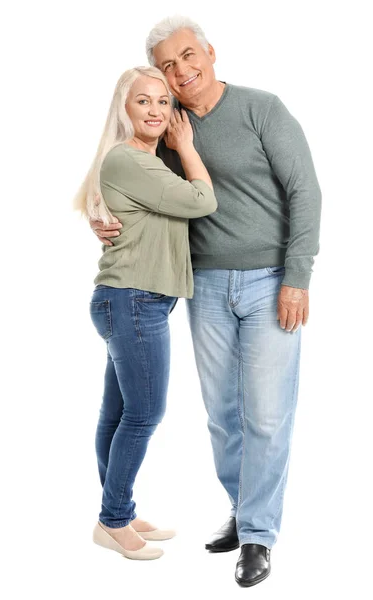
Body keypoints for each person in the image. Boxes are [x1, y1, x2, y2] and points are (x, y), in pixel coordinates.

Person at [90, 16, 322, 585]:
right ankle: (243, 510)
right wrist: (100, 213)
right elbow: (133, 180)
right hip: (205, 285)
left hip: (270, 280)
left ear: (210, 52)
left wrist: (297, 275)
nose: (181, 70)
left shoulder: (261, 108)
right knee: (222, 415)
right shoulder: (166, 124)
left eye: (188, 55)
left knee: (266, 415)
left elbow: (305, 191)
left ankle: (258, 537)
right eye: (168, 65)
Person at [74, 65, 217, 561]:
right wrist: (189, 148)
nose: (156, 110)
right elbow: (202, 200)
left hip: (131, 299)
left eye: (163, 102)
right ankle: (112, 520)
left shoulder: (144, 162)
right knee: (144, 413)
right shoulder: (132, 161)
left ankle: (119, 510)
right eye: (143, 101)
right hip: (133, 300)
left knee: (118, 414)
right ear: (124, 108)